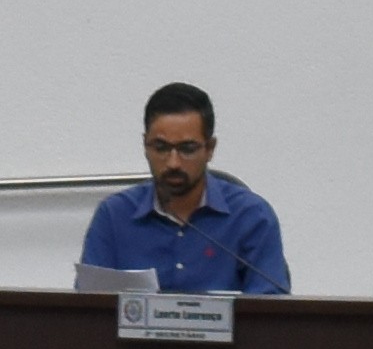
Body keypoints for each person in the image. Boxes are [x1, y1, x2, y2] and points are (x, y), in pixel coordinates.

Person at [77, 82, 288, 296]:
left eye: (187, 149)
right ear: (145, 146)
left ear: (210, 149)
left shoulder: (251, 217)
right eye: (161, 148)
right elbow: (90, 307)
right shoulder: (114, 215)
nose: (173, 163)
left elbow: (269, 309)